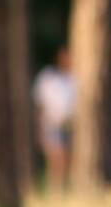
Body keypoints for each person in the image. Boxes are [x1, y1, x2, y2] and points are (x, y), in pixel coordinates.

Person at [33, 47, 76, 192]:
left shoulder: (74, 78)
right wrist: (39, 129)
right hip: (52, 125)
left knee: (68, 161)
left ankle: (65, 189)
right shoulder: (48, 77)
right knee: (56, 160)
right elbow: (41, 105)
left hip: (70, 125)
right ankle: (56, 190)